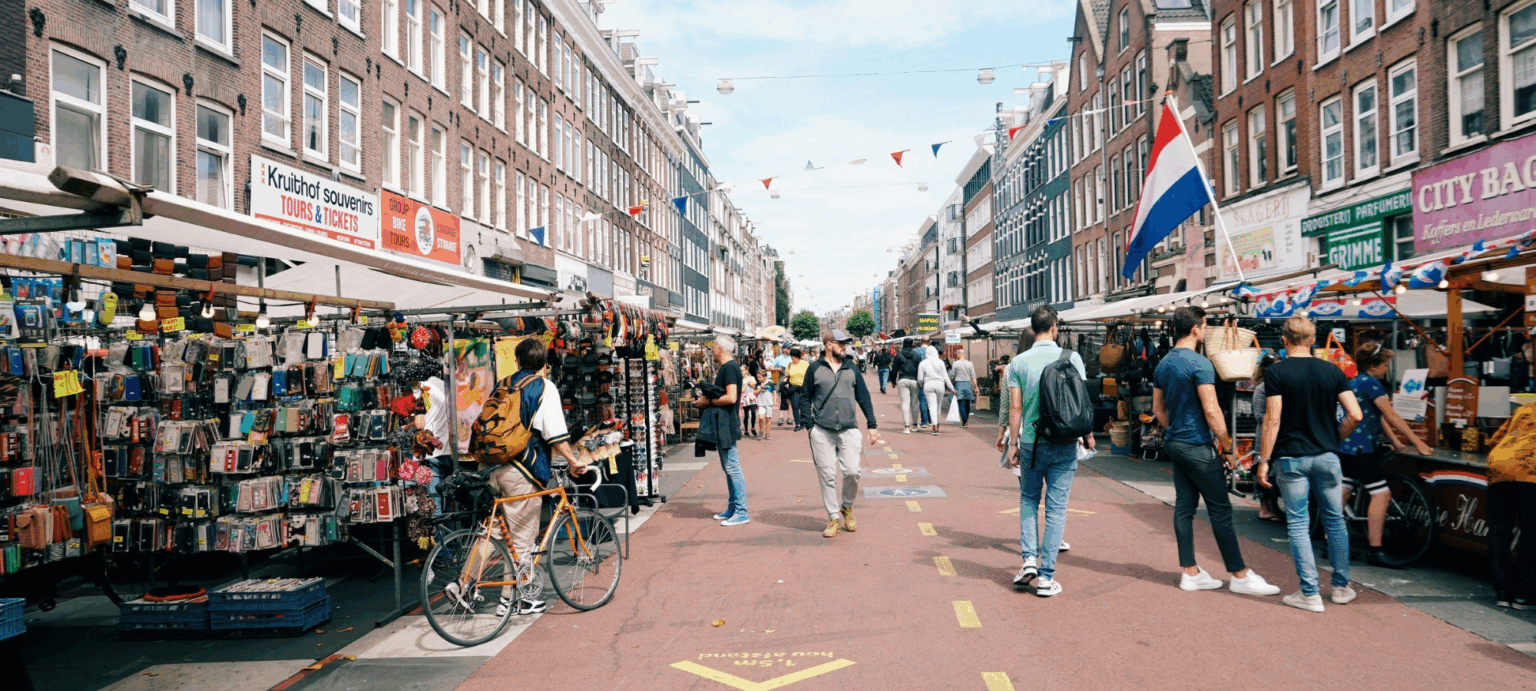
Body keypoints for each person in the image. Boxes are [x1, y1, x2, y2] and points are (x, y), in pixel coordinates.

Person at [1153, 308, 1281, 597]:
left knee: (1184, 508)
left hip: (1176, 442)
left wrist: (1176, 429)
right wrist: (1228, 446)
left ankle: (1190, 572)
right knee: (1220, 509)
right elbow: (1212, 411)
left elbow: (1158, 409)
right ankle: (1239, 575)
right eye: (1205, 325)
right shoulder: (1201, 363)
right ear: (1196, 329)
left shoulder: (1163, 364)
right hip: (1198, 445)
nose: (1206, 330)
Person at [468, 338, 588, 617]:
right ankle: (517, 600)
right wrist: (573, 462)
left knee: (492, 533)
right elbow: (555, 434)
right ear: (544, 364)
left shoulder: (503, 384)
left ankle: (463, 584)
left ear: (517, 360)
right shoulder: (544, 387)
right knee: (522, 537)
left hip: (489, 467)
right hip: (521, 470)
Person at [1258, 316, 1364, 612]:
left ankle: (1309, 593)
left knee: (1298, 523)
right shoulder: (1332, 370)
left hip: (1291, 457)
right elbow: (1355, 414)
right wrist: (1334, 438)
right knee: (1335, 520)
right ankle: (1341, 587)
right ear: (1313, 340)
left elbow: (1273, 418)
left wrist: (1264, 459)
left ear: (1284, 340)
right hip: (1327, 456)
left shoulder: (1276, 372)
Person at [1000, 305, 1094, 597]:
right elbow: (1081, 402)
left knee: (1028, 499)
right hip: (1064, 442)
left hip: (1031, 441)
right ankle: (1046, 577)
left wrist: (1012, 444)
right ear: (1055, 327)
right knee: (1056, 509)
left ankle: (1029, 559)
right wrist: (1088, 436)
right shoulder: (1071, 357)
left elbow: (1015, 407)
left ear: (1032, 328)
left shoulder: (1018, 362)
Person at [1340, 342, 1433, 568]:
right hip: (1363, 447)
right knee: (1381, 494)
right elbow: (1390, 414)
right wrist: (1418, 442)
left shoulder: (1354, 382)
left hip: (1346, 446)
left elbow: (1378, 416)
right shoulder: (1372, 384)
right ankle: (1375, 549)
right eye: (1384, 365)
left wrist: (1396, 441)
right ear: (1373, 366)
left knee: (1343, 491)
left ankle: (1331, 542)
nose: (1386, 369)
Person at [798, 329, 880, 538]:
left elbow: (863, 396)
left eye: (846, 343)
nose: (845, 347)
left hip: (849, 428)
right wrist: (809, 426)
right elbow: (805, 397)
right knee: (827, 476)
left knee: (853, 472)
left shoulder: (851, 367)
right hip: (821, 430)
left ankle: (847, 506)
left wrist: (872, 424)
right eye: (840, 343)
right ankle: (833, 517)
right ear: (828, 345)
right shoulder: (814, 368)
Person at [697, 335, 750, 526]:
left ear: (721, 348)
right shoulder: (729, 367)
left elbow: (731, 397)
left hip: (726, 423)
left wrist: (707, 401)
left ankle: (742, 511)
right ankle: (734, 507)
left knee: (732, 467)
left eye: (714, 347)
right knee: (729, 468)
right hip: (723, 423)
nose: (712, 350)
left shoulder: (729, 368)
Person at [1488, 403, 1536, 610]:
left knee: (1499, 531)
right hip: (1530, 470)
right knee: (1531, 533)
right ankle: (1524, 594)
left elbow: (1494, 439)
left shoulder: (1524, 408)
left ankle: (1502, 591)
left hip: (1499, 467)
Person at [1249, 354, 1283, 522]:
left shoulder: (1280, 385)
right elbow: (1259, 415)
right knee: (1262, 467)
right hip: (1264, 435)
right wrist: (1274, 421)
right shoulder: (1262, 388)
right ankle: (1264, 508)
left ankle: (1273, 506)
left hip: (1280, 435)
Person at [917, 347, 956, 436]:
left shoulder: (923, 363)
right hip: (940, 384)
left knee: (932, 406)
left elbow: (920, 379)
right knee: (938, 406)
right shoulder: (940, 362)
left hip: (928, 384)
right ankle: (937, 423)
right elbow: (945, 377)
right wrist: (952, 388)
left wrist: (921, 385)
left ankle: (934, 426)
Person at [894, 339, 923, 434]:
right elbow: (920, 369)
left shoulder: (899, 355)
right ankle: (914, 424)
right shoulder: (917, 355)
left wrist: (893, 381)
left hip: (903, 379)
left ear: (903, 344)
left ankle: (907, 426)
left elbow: (894, 369)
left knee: (905, 403)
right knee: (915, 403)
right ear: (912, 344)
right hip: (914, 380)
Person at [785, 348, 811, 431]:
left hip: (803, 387)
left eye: (795, 357)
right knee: (795, 405)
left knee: (803, 405)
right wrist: (785, 382)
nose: (793, 358)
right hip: (794, 387)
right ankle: (798, 424)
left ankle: (802, 420)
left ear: (798, 356)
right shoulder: (789, 365)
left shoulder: (805, 364)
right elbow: (786, 376)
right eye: (792, 357)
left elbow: (809, 375)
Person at [951, 356, 977, 427]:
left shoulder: (955, 363)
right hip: (968, 384)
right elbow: (973, 376)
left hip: (959, 384)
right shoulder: (970, 363)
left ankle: (964, 421)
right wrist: (976, 387)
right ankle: (966, 419)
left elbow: (952, 375)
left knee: (961, 403)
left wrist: (951, 384)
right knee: (967, 403)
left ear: (958, 355)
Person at [771, 348, 793, 426]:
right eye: (788, 348)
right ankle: (781, 417)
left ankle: (789, 417)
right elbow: (770, 367)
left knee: (789, 399)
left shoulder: (792, 357)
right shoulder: (779, 358)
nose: (789, 349)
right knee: (781, 398)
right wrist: (779, 369)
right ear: (784, 349)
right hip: (781, 378)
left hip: (791, 378)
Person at [741, 375, 760, 439]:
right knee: (746, 414)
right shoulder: (741, 379)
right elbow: (742, 390)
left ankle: (753, 428)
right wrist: (746, 383)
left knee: (753, 412)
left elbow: (754, 386)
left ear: (746, 370)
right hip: (745, 397)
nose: (742, 372)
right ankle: (746, 430)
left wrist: (749, 382)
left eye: (743, 371)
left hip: (751, 397)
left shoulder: (752, 378)